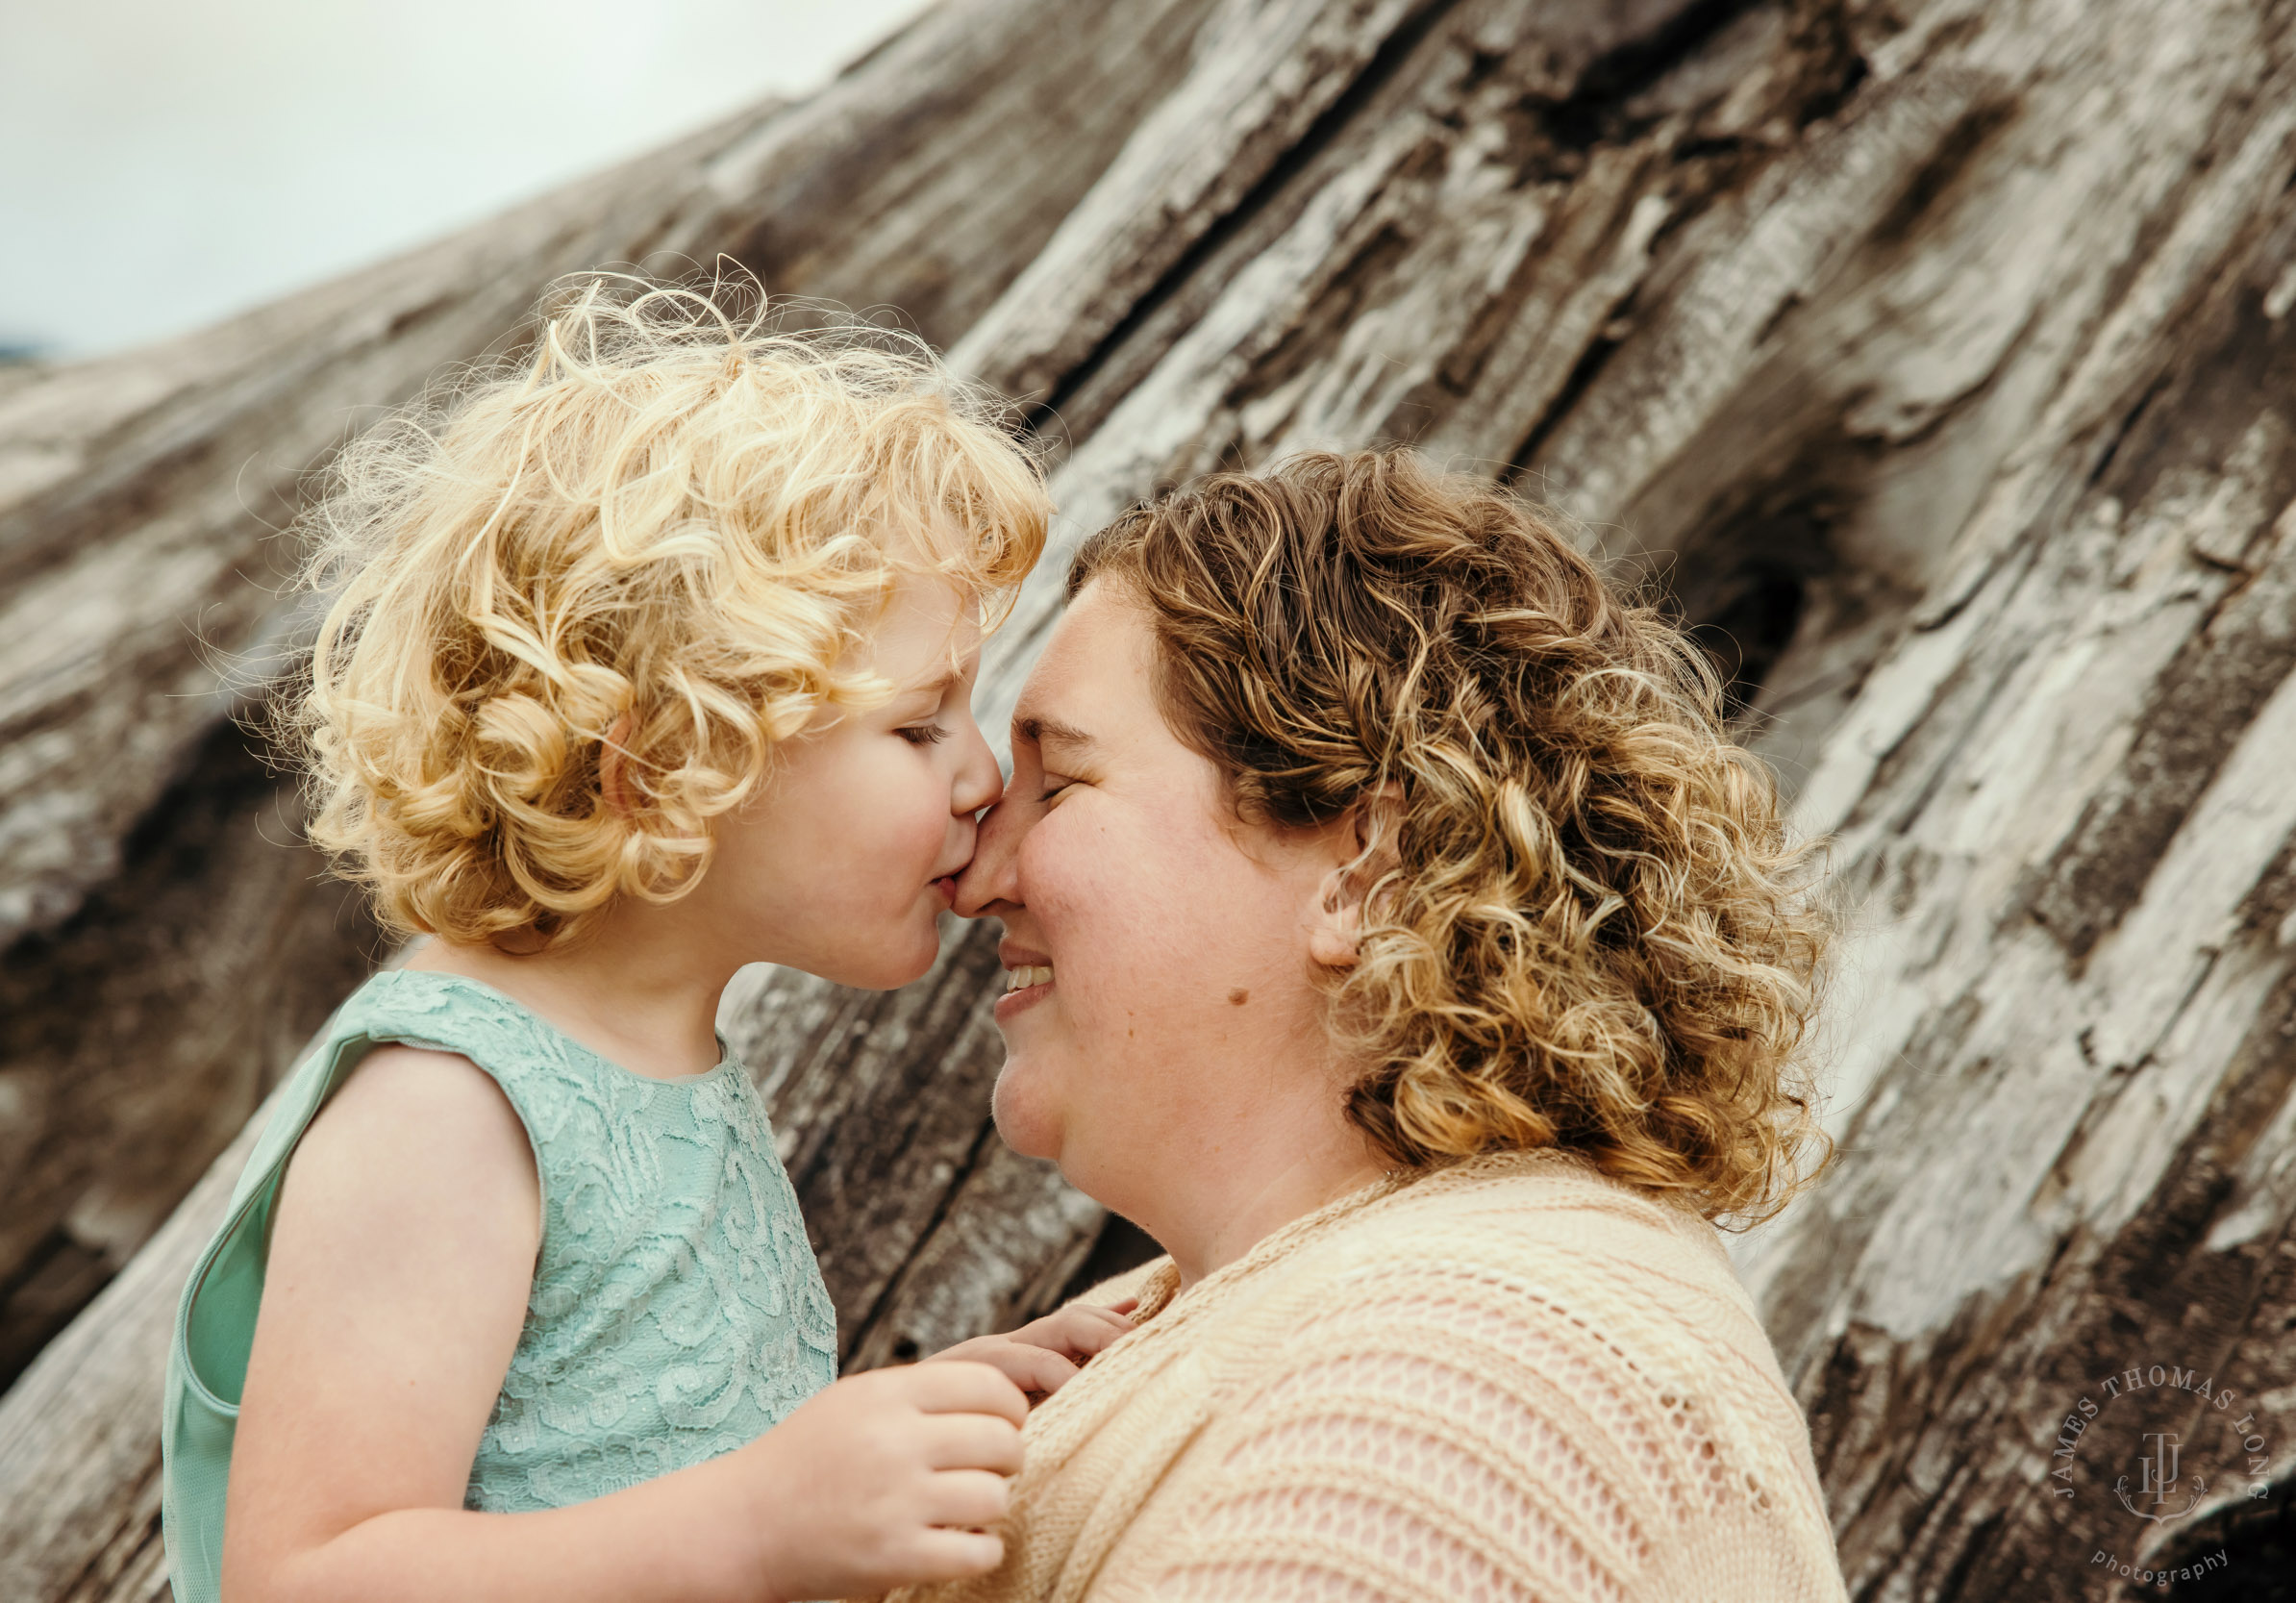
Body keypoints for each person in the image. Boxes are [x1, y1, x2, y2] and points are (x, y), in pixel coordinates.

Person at [159, 278, 1132, 1603]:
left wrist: (933, 1415)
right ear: (668, 769)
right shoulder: (449, 1103)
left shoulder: (653, 1059)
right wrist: (751, 1522)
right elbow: (307, 1572)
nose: (979, 777)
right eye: (918, 725)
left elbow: (627, 1457)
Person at [909, 449, 1846, 1602]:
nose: (975, 872)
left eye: (1061, 786)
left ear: (1362, 868)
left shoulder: (1469, 1386)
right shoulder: (1263, 1322)